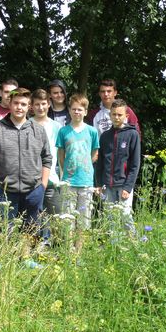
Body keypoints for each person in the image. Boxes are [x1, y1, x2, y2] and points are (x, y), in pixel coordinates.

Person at [0, 88, 52, 240]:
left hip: (33, 190)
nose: (19, 107)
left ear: (29, 107)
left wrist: (43, 185)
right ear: (10, 103)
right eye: (16, 103)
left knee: (32, 232)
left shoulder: (38, 130)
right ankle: (6, 263)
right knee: (4, 234)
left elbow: (47, 158)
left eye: (23, 104)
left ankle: (28, 261)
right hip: (4, 190)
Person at [95, 99, 141, 235]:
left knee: (125, 217)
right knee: (110, 219)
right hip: (107, 186)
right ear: (110, 115)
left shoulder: (132, 135)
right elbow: (100, 163)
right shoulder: (104, 136)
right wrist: (99, 184)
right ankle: (113, 248)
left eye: (119, 114)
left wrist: (128, 187)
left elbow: (135, 164)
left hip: (123, 185)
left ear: (126, 116)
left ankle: (134, 245)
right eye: (114, 114)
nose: (116, 117)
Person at [57, 93, 100, 236]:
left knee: (83, 219)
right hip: (68, 182)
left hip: (86, 181)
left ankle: (79, 252)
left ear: (85, 112)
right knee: (68, 218)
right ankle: (68, 251)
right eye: (74, 109)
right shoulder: (63, 131)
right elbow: (61, 155)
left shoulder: (92, 131)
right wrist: (67, 170)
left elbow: (94, 154)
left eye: (80, 109)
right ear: (69, 110)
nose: (77, 112)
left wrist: (84, 165)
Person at [31, 88, 62, 215]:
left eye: (43, 104)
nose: (40, 107)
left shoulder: (57, 127)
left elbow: (61, 154)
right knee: (34, 221)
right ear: (31, 106)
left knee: (56, 219)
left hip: (52, 180)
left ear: (49, 104)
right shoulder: (27, 124)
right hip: (31, 180)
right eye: (37, 104)